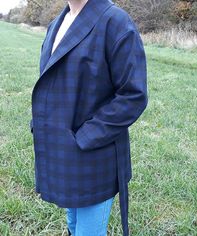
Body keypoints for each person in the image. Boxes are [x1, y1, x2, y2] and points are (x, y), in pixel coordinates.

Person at [30, 0, 148, 235]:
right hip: (64, 151)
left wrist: (85, 137)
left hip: (95, 154)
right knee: (74, 225)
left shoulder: (115, 21)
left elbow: (133, 95)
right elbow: (54, 82)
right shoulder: (57, 23)